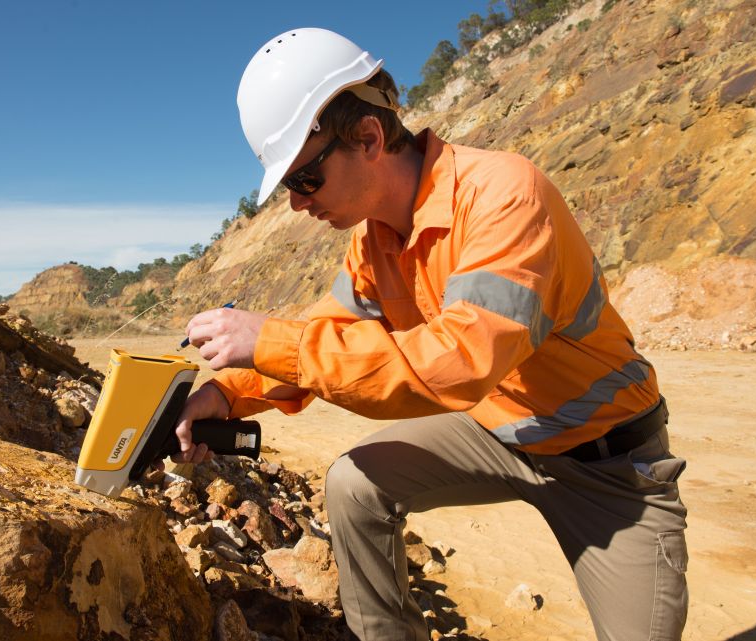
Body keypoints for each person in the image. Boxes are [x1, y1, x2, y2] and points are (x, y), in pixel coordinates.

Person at [176, 27, 688, 641]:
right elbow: (326, 331)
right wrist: (225, 395)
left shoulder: (504, 195)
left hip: (611, 463)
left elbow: (459, 363)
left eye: (304, 179)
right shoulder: (372, 240)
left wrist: (268, 340)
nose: (297, 204)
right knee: (354, 486)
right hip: (501, 433)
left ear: (367, 137)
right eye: (288, 185)